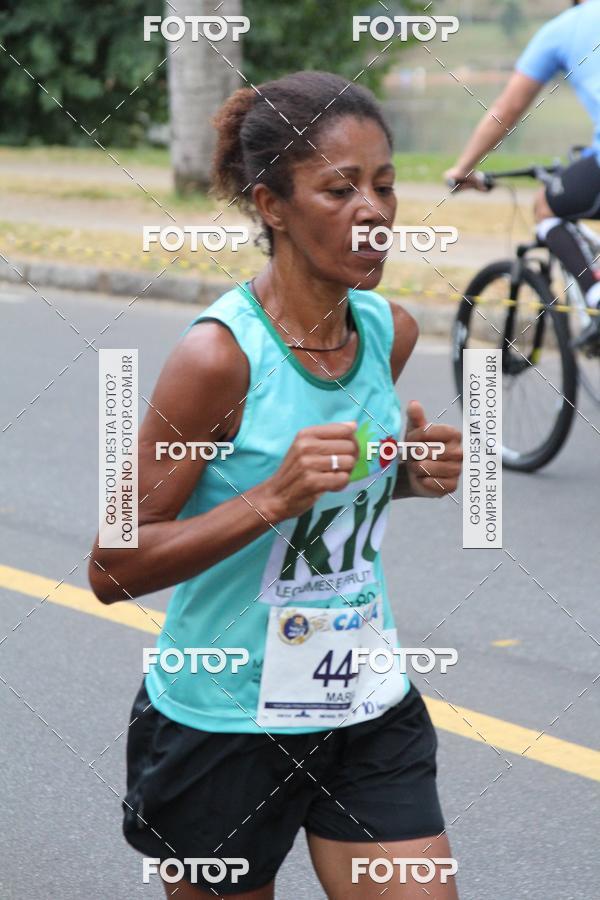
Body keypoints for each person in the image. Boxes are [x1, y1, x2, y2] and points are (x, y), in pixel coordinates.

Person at [89, 70, 462, 899]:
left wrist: (407, 476)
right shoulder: (217, 360)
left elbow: (334, 494)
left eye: (385, 185)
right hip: (223, 720)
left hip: (363, 698)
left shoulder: (386, 330)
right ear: (271, 205)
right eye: (339, 189)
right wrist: (272, 498)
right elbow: (112, 566)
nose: (374, 210)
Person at [445, 0, 600, 353]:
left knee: (546, 204)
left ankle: (596, 296)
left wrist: (463, 169)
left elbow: (507, 109)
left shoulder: (563, 28)